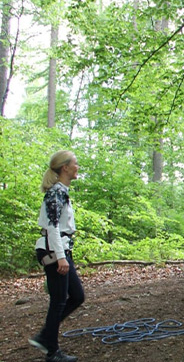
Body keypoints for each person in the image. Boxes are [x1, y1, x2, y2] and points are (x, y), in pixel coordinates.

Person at [29, 150, 85, 362]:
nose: (78, 167)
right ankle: (51, 350)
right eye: (75, 164)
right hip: (54, 251)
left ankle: (46, 336)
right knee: (59, 300)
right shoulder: (56, 193)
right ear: (65, 168)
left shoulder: (61, 192)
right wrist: (61, 257)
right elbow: (52, 228)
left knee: (76, 296)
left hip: (59, 249)